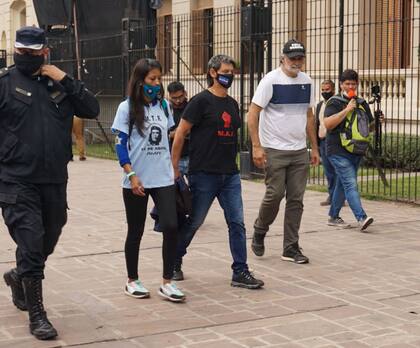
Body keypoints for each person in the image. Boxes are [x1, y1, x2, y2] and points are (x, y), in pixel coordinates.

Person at [0, 27, 99, 340]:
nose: (27, 58)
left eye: (34, 52)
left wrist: (66, 79)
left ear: (46, 52)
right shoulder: (4, 84)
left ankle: (19, 276)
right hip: (16, 179)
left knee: (51, 234)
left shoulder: (59, 84)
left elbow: (92, 109)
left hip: (54, 179)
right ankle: (37, 315)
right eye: (23, 53)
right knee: (31, 242)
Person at [171, 54, 264, 289]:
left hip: (229, 174)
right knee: (195, 221)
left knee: (237, 223)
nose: (229, 76)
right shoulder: (200, 102)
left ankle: (240, 271)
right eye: (225, 71)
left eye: (232, 72)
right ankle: (173, 260)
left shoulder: (232, 104)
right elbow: (181, 133)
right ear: (213, 72)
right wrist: (174, 167)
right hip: (204, 173)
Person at [111, 58, 186, 303]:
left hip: (163, 177)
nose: (156, 83)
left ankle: (167, 281)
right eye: (151, 79)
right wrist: (130, 174)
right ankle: (132, 280)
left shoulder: (164, 106)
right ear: (140, 80)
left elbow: (168, 135)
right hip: (137, 179)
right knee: (136, 230)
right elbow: (120, 144)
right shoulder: (126, 108)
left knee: (171, 226)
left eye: (158, 79)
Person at [248, 39, 320, 263]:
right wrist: (256, 146)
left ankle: (291, 247)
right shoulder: (270, 81)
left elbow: (309, 117)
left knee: (296, 200)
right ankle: (260, 229)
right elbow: (253, 114)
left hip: (299, 150)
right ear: (282, 58)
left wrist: (314, 148)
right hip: (274, 149)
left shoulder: (307, 82)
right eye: (292, 58)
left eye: (300, 58)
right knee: (275, 194)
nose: (296, 62)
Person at [323, 69, 375, 230]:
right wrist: (347, 110)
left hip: (356, 150)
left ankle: (333, 216)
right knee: (350, 183)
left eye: (353, 83)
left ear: (357, 84)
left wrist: (378, 121)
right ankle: (361, 218)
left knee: (342, 183)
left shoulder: (361, 102)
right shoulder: (334, 102)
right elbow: (328, 124)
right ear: (341, 85)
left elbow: (368, 128)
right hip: (337, 150)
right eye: (347, 84)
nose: (350, 86)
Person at [316, 80, 336, 206]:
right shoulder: (319, 105)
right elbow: (317, 124)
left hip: (334, 141)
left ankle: (337, 196)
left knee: (336, 169)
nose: (324, 92)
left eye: (327, 90)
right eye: (322, 90)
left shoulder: (336, 104)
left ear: (333, 90)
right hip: (323, 141)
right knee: (328, 170)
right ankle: (331, 195)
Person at [167, 81, 189, 176]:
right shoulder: (167, 110)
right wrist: (174, 134)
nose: (178, 101)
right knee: (175, 189)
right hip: (173, 157)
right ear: (169, 96)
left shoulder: (191, 108)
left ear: (185, 93)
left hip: (191, 155)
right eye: (174, 98)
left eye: (180, 97)